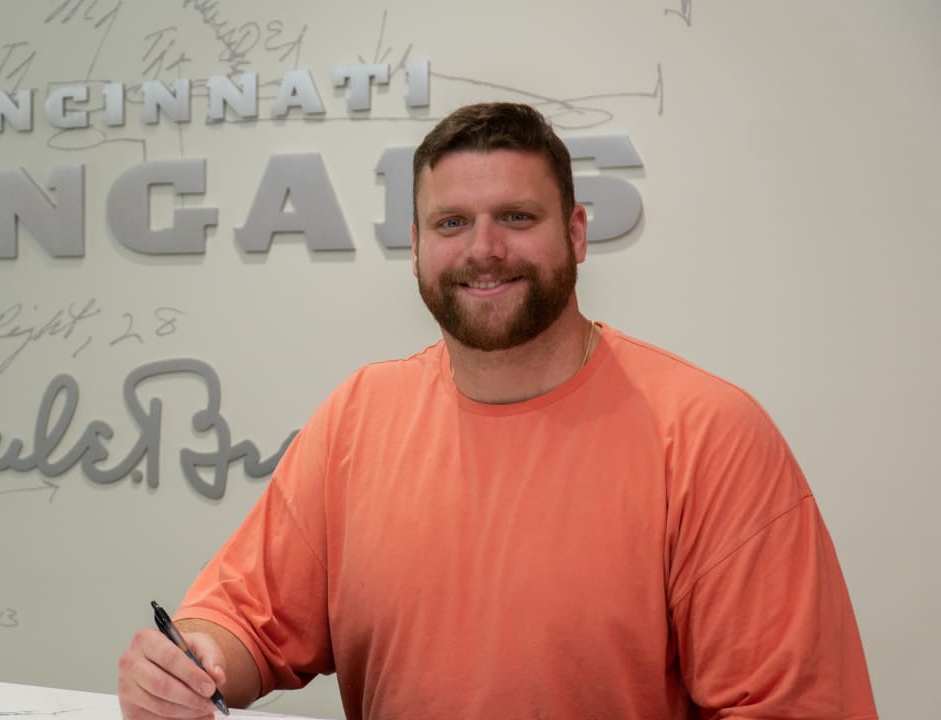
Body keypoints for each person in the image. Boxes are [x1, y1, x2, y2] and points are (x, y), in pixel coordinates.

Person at [116, 102, 878, 720]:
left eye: (516, 217)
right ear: (416, 247)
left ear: (575, 233)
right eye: (452, 224)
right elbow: (244, 621)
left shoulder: (709, 434)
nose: (484, 249)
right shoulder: (358, 417)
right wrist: (189, 664)